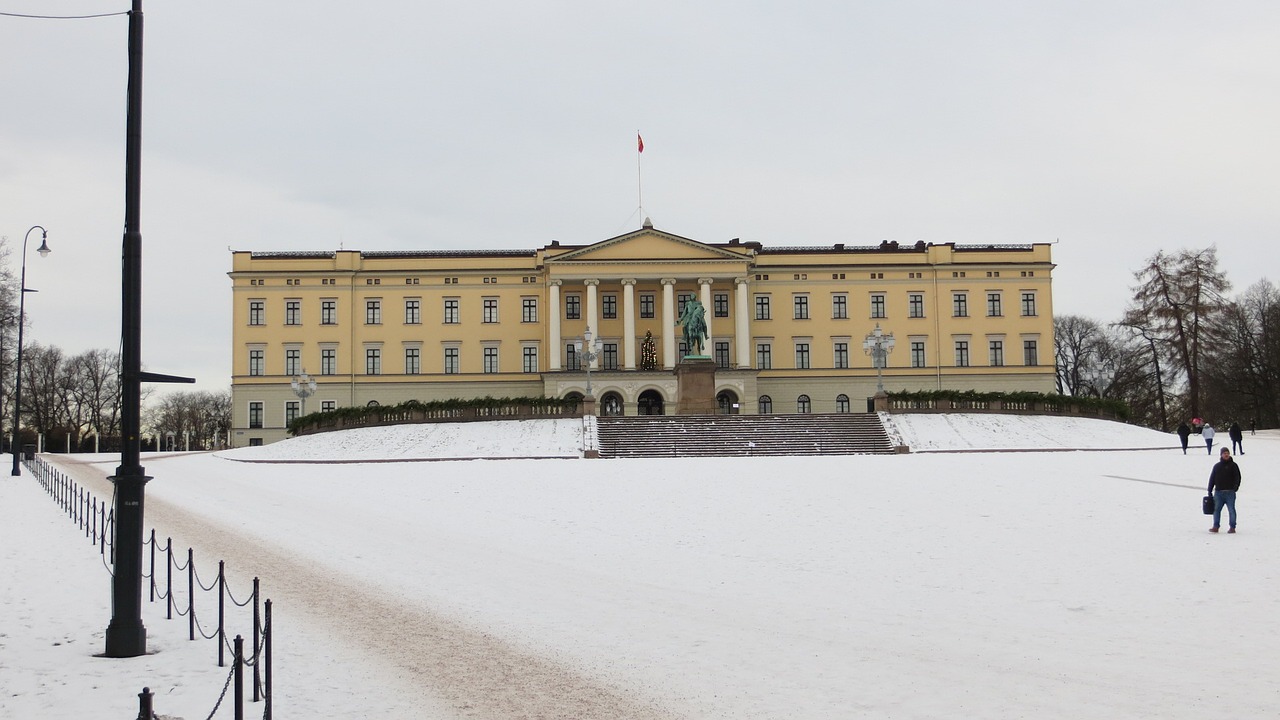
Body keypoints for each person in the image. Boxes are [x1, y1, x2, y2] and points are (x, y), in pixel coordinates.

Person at [1207, 447, 1242, 533]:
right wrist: (1209, 489)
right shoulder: (1217, 466)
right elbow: (1212, 478)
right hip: (1219, 492)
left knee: (1231, 510)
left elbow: (1238, 477)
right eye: (1224, 453)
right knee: (1216, 510)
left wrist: (1235, 487)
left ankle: (1232, 527)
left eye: (1227, 453)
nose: (1226, 454)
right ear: (1221, 455)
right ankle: (1216, 526)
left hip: (1230, 492)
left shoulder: (1233, 465)